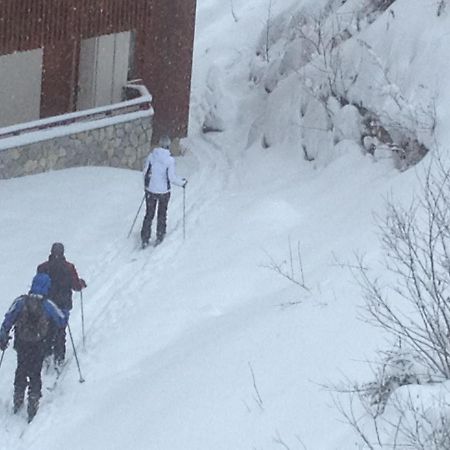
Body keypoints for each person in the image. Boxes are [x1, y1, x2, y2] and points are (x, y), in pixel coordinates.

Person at [0, 273, 67, 422]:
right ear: (47, 287)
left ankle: (18, 396)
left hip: (22, 343)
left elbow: (8, 318)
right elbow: (61, 321)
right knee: (35, 371)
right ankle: (33, 400)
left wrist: (3, 335)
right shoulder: (48, 304)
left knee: (21, 368)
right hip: (38, 344)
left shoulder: (21, 301)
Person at [36, 242, 86, 366]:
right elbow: (75, 285)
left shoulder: (42, 267)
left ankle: (47, 353)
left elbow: (38, 283)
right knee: (60, 330)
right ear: (63, 252)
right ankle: (59, 357)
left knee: (46, 329)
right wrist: (81, 284)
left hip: (45, 304)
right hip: (62, 304)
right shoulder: (69, 267)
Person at [140, 135, 187, 248]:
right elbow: (171, 177)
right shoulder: (169, 160)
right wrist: (182, 183)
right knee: (162, 214)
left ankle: (145, 238)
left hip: (151, 191)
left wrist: (147, 186)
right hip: (163, 192)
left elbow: (145, 172)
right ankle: (160, 235)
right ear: (168, 146)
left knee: (149, 214)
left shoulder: (151, 157)